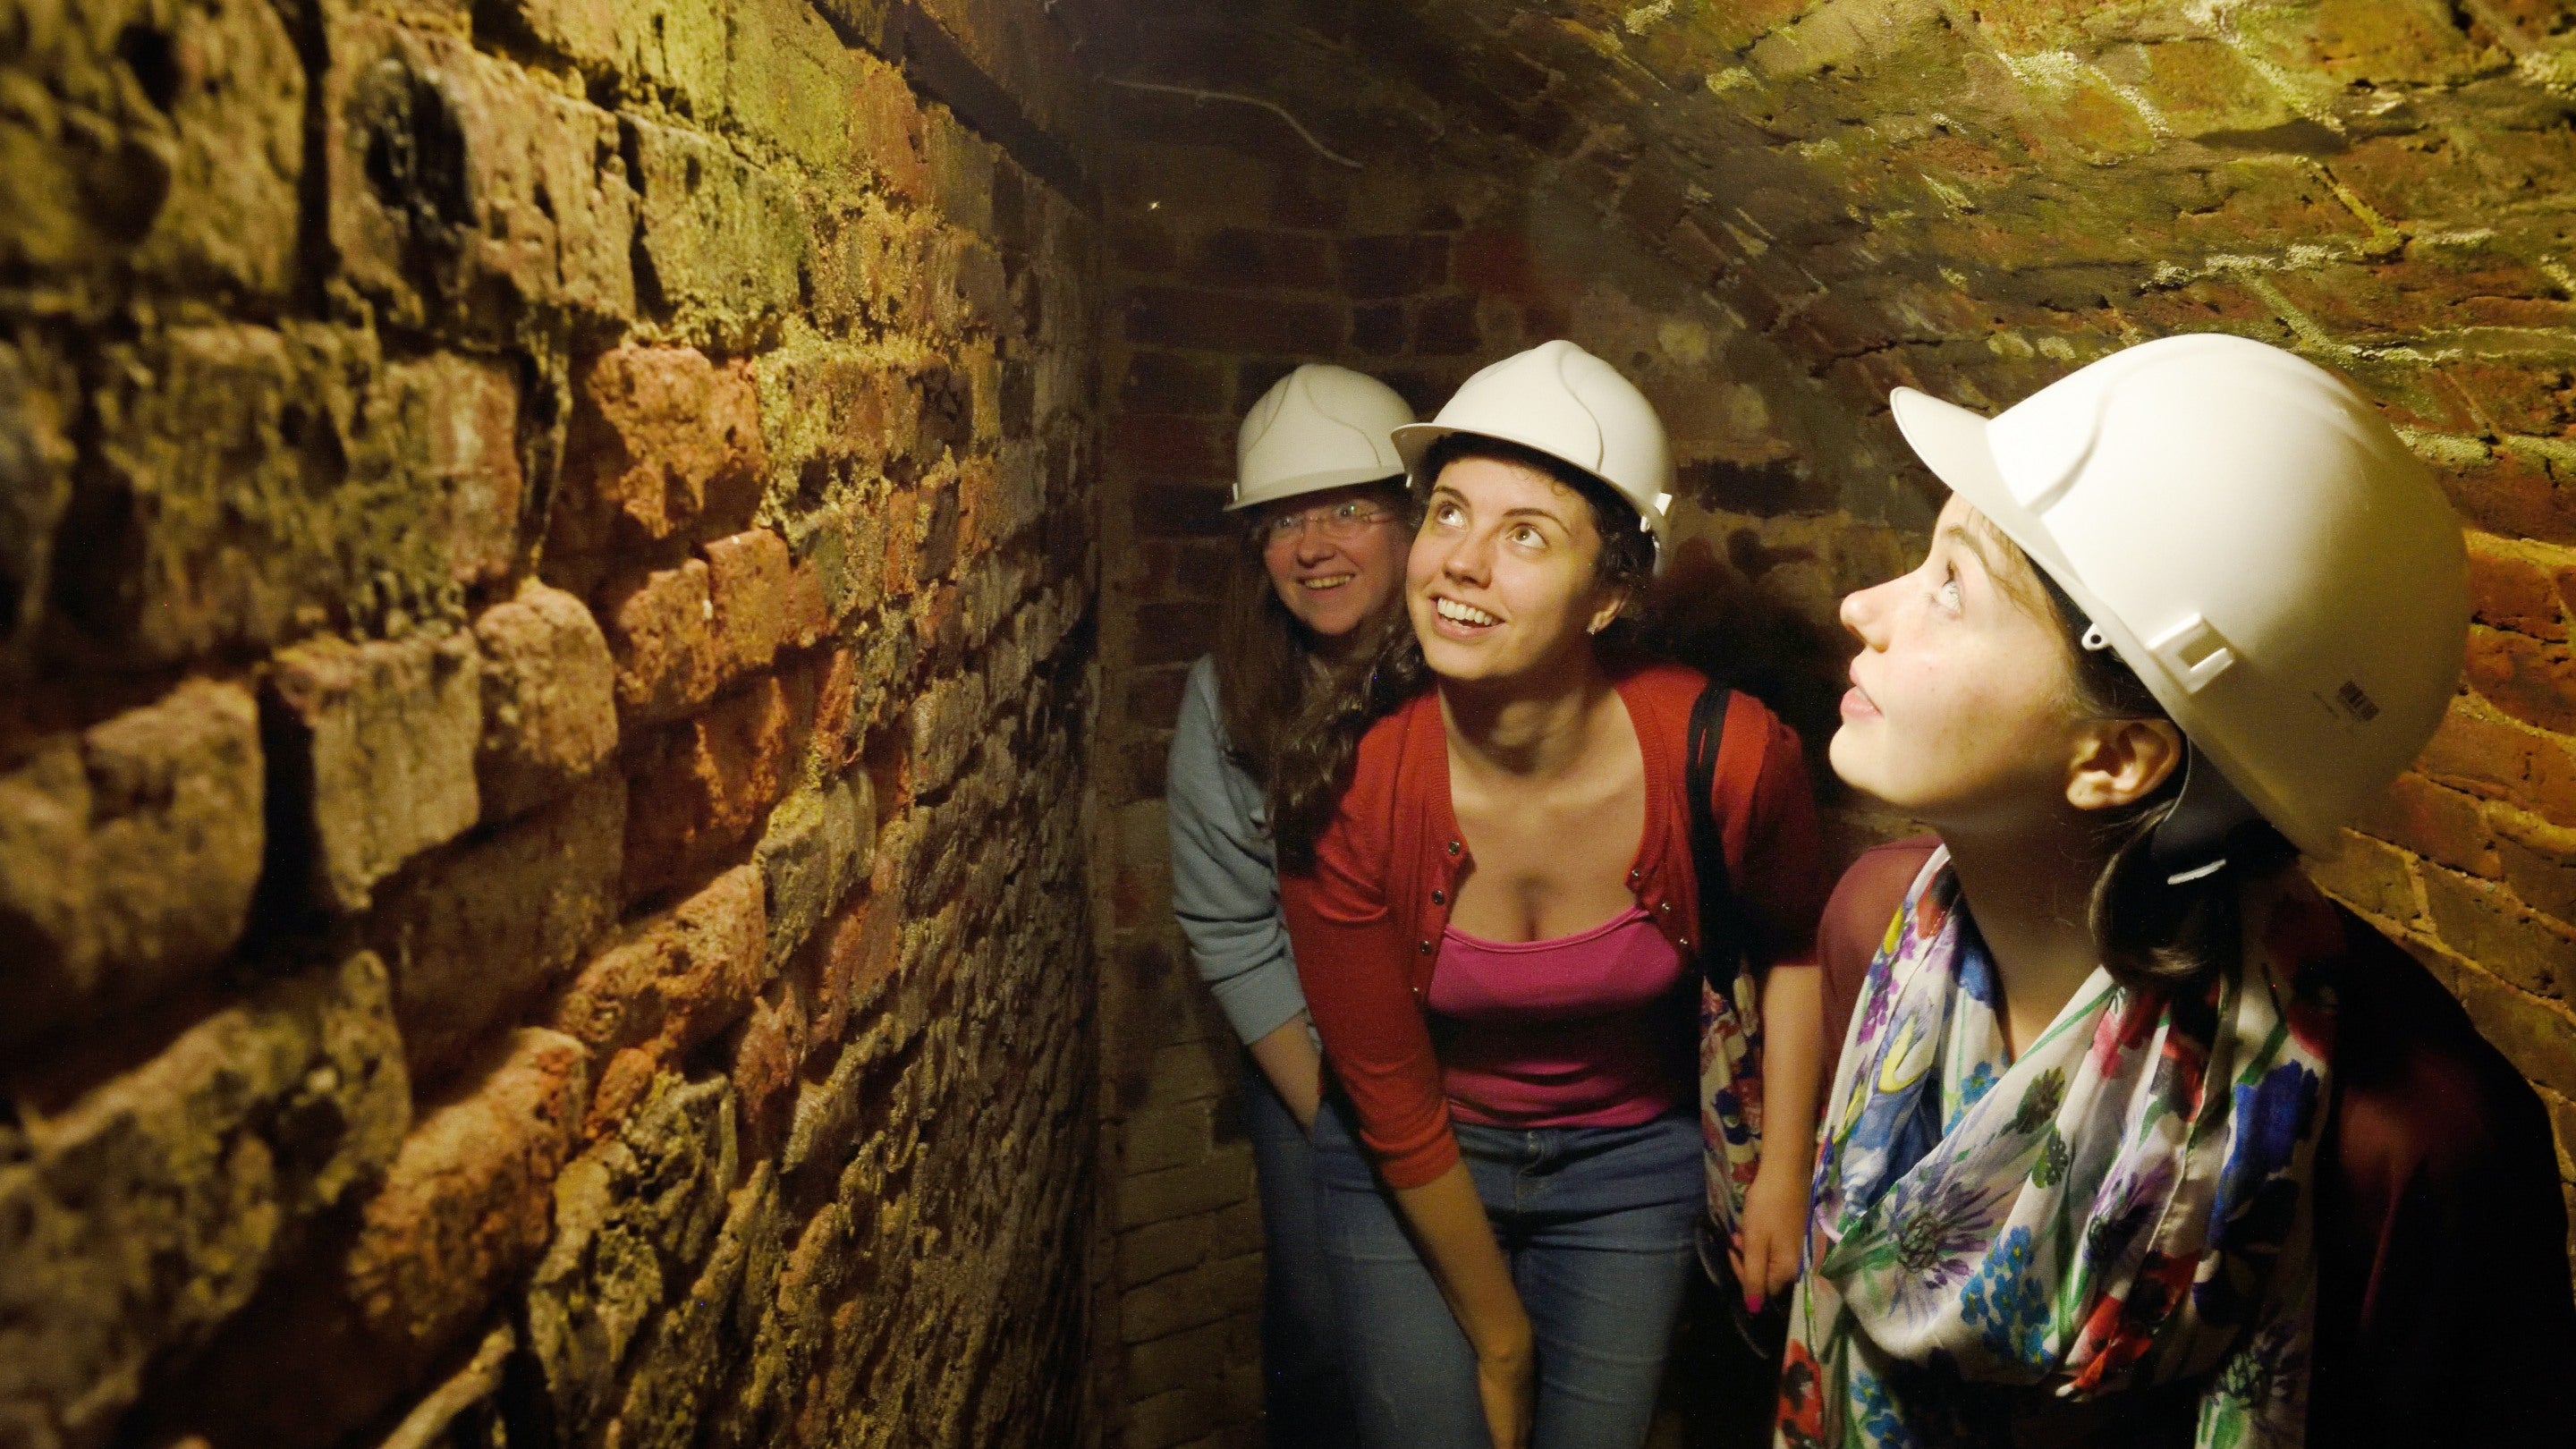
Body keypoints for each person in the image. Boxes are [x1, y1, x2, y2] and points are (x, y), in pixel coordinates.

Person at [1782, 332, 2576, 1448]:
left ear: (2117, 757)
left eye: (1951, 586)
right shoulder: (1870, 926)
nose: (1867, 605)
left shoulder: (2407, 1138)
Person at [1274, 341, 1834, 1449]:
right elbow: (1385, 1088)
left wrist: (1783, 1172)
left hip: (1635, 1162)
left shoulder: (1725, 756)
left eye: (1526, 534)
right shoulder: (1348, 784)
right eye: (1446, 515)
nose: (1459, 564)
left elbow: (1796, 946)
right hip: (1415, 1160)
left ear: (1611, 593)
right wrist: (1503, 1342)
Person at [1165, 363, 1417, 1445]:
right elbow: (1228, 924)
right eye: (1283, 521)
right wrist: (1340, 1124)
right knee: (1321, 1338)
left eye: (1348, 511)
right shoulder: (1229, 697)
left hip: (1485, 1067)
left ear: (1412, 520)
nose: (1313, 547)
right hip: (1316, 1070)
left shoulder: (1475, 663)